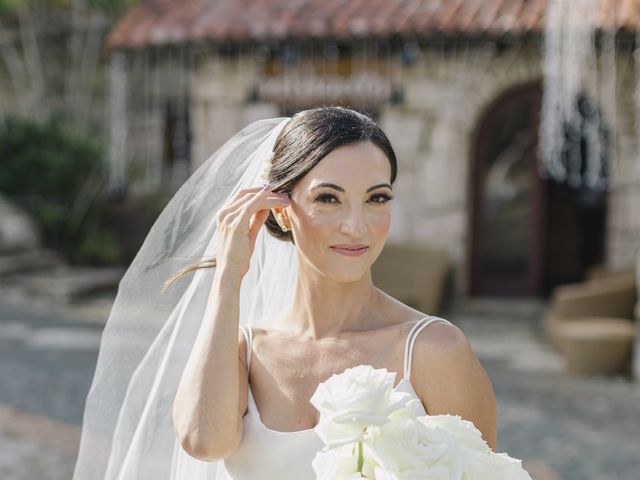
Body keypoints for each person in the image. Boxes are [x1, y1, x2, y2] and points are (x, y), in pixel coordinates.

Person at [72, 106, 496, 480]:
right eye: (329, 198)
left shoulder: (435, 350)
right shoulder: (243, 350)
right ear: (280, 210)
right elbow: (203, 442)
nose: (357, 226)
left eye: (376, 198)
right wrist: (229, 276)